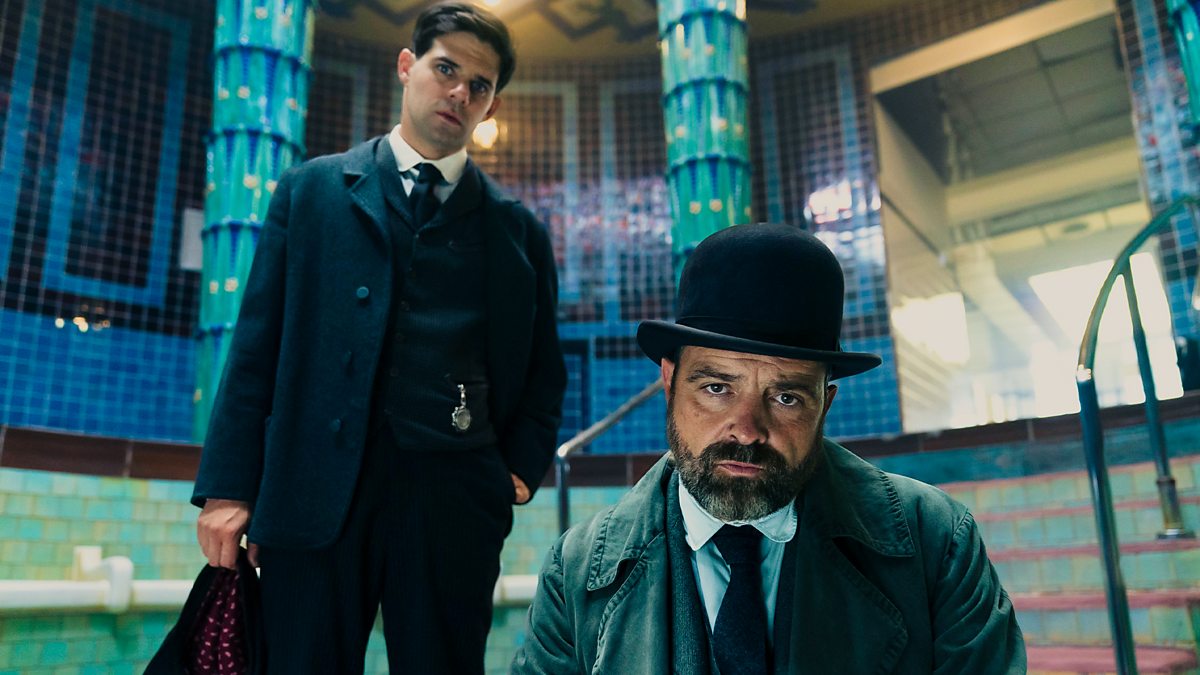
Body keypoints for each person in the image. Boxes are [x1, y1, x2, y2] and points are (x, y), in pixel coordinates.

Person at [191, 3, 567, 673]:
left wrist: (514, 472)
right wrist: (228, 488)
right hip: (310, 492)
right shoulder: (310, 191)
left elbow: (543, 367)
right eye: (446, 69)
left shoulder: (518, 232)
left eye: (479, 85)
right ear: (406, 66)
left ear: (491, 103)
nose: (460, 92)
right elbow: (255, 350)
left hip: (454, 504)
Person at [513, 223, 1024, 674]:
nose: (747, 431)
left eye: (785, 397)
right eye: (717, 388)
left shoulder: (937, 543)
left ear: (824, 405)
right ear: (669, 384)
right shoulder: (575, 572)